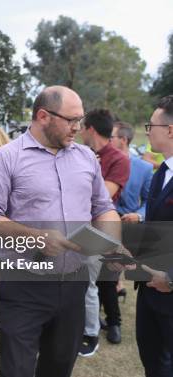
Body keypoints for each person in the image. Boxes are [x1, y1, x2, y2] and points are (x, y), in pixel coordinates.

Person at [0, 86, 129, 377]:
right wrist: (36, 237)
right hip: (23, 285)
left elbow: (103, 206)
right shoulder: (6, 158)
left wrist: (112, 241)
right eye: (71, 120)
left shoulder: (85, 158)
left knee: (59, 367)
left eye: (80, 120)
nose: (77, 128)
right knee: (16, 370)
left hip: (74, 283)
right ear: (43, 116)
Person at [78, 108, 130, 352]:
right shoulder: (77, 153)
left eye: (81, 125)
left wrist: (90, 170)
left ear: (90, 129)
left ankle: (91, 334)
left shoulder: (118, 159)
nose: (77, 131)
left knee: (94, 284)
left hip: (98, 230)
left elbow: (102, 197)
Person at [132, 95, 173, 377]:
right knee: (153, 361)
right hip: (149, 290)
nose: (148, 131)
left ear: (170, 130)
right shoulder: (162, 173)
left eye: (151, 125)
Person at [111, 122, 153, 223]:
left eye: (111, 137)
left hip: (130, 225)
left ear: (124, 140)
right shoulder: (99, 163)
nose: (106, 140)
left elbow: (149, 201)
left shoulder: (144, 168)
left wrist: (139, 215)